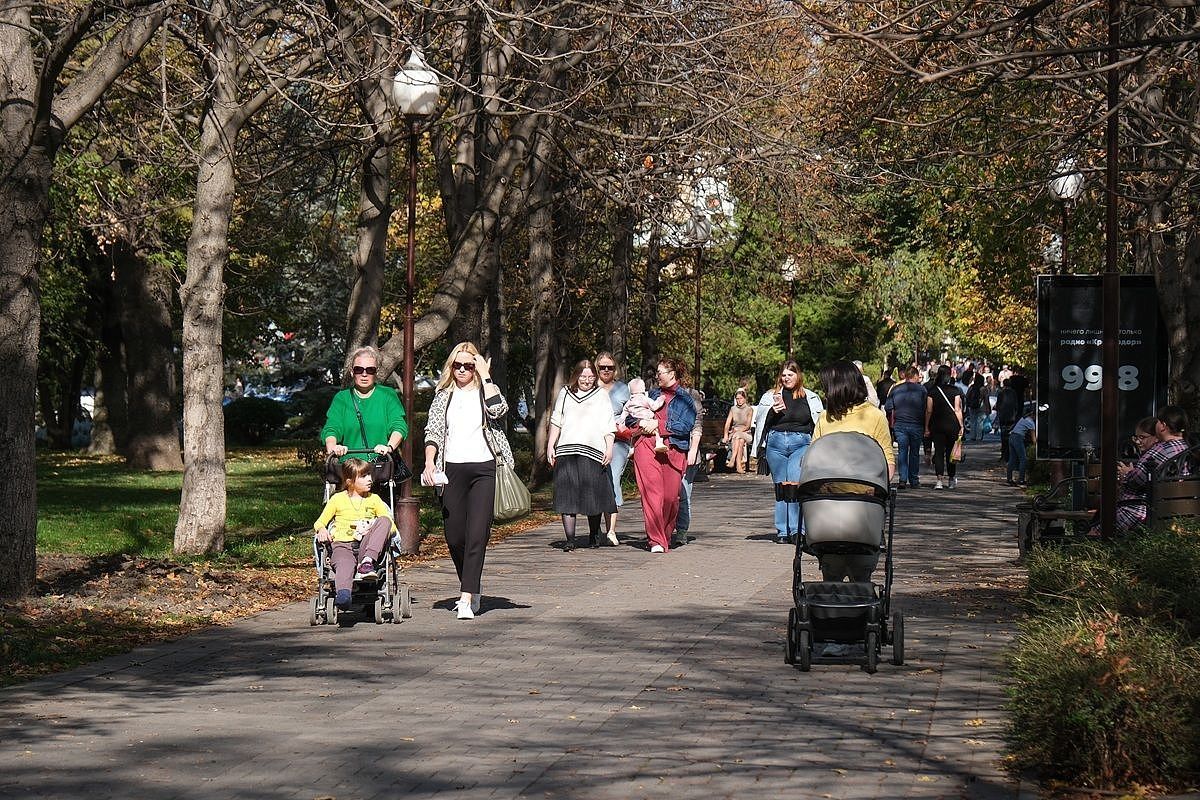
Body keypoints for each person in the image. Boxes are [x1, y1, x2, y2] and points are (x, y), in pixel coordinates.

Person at [423, 342, 511, 620]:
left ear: (476, 368)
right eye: (457, 365)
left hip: (485, 467)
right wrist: (428, 462)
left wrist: (486, 377)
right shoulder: (442, 396)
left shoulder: (486, 392)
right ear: (451, 367)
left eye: (468, 365)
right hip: (451, 470)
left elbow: (500, 412)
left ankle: (465, 597)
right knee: (455, 535)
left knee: (477, 535)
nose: (462, 370)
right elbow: (433, 431)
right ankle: (472, 584)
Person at [811, 360, 896, 582]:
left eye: (827, 386)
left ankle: (859, 605)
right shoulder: (825, 417)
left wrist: (878, 487)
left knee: (860, 569)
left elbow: (888, 460)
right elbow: (813, 459)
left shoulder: (874, 416)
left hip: (864, 502)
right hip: (828, 505)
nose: (824, 391)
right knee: (832, 570)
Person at [628, 358, 697, 553]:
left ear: (672, 373)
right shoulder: (651, 395)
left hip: (673, 450)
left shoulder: (685, 399)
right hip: (647, 445)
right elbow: (631, 414)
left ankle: (664, 535)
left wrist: (659, 425)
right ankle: (655, 540)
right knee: (651, 494)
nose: (657, 376)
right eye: (657, 372)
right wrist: (642, 423)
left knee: (669, 498)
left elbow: (686, 426)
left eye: (661, 372)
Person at [547, 359, 617, 551]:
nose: (586, 380)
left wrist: (609, 448)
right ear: (576, 376)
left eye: (590, 377)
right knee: (567, 495)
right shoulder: (565, 393)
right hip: (567, 450)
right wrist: (550, 445)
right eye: (583, 376)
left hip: (593, 451)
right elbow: (556, 420)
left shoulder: (601, 395)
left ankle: (594, 534)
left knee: (592, 495)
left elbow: (608, 424)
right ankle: (570, 539)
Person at [1090, 406, 1191, 536]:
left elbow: (1138, 479)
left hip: (1139, 509)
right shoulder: (1187, 447)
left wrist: (1127, 472)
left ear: (1163, 426)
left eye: (1158, 421)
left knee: (1094, 533)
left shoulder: (1160, 449)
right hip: (1174, 509)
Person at [313, 458, 398, 610]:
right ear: (350, 481)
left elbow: (391, 528)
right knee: (344, 564)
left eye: (369, 475)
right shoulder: (337, 499)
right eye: (364, 476)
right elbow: (319, 522)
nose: (370, 479)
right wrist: (322, 529)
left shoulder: (374, 499)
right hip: (342, 545)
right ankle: (344, 595)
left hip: (366, 546)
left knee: (385, 520)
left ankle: (366, 562)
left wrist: (371, 527)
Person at [762, 360, 824, 544]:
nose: (786, 378)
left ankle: (798, 530)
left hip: (801, 443)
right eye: (783, 374)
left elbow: (818, 422)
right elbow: (760, 425)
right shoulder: (770, 397)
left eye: (790, 374)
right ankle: (782, 531)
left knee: (795, 485)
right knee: (781, 487)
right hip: (776, 443)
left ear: (798, 376)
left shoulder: (810, 397)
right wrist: (772, 412)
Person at [321, 345, 408, 463]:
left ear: (376, 372)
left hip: (380, 466)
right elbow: (332, 428)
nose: (364, 374)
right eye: (358, 369)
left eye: (370, 370)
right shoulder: (342, 398)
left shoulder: (388, 395)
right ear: (352, 372)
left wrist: (389, 447)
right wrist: (333, 448)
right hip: (350, 469)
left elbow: (399, 426)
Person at [595, 352, 629, 547]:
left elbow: (632, 411)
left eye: (610, 367)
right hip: (594, 441)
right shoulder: (590, 387)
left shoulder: (623, 389)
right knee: (595, 483)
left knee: (612, 480)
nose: (606, 370)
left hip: (618, 442)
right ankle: (595, 529)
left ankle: (611, 530)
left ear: (615, 368)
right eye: (602, 367)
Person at [671, 380, 705, 548]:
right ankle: (666, 528)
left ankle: (682, 530)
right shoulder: (659, 394)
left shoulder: (692, 396)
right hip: (668, 451)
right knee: (668, 495)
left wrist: (693, 449)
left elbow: (697, 425)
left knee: (683, 494)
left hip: (688, 453)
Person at [884, 366, 928, 488]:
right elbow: (926, 408)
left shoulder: (896, 389)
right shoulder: (922, 390)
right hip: (916, 424)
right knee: (914, 452)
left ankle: (902, 479)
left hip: (900, 424)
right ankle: (914, 480)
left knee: (902, 451)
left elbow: (888, 407)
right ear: (914, 376)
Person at [924, 364, 964, 489]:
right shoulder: (955, 390)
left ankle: (939, 480)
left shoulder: (932, 391)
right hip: (952, 425)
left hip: (937, 425)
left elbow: (929, 410)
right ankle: (951, 479)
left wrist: (926, 426)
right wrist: (961, 425)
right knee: (952, 453)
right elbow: (957, 409)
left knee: (939, 452)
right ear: (949, 375)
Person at [622, 377, 668, 453]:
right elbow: (654, 406)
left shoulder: (629, 401)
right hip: (647, 419)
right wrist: (661, 399)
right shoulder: (644, 399)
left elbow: (624, 412)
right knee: (657, 431)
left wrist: (621, 422)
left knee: (634, 435)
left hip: (636, 423)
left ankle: (632, 448)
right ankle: (659, 443)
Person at [721, 388, 755, 473]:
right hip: (736, 434)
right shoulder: (733, 409)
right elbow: (728, 423)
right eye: (737, 399)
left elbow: (747, 426)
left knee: (739, 436)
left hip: (746, 433)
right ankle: (739, 466)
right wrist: (725, 435)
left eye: (741, 398)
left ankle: (732, 459)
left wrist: (738, 430)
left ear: (745, 398)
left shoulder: (749, 409)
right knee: (740, 440)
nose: (739, 400)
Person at [1006, 405, 1036, 486]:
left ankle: (1009, 478)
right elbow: (1034, 439)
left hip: (1011, 437)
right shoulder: (1031, 423)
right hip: (1018, 438)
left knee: (1012, 459)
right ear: (1033, 415)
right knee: (1023, 459)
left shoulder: (1024, 418)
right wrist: (1035, 447)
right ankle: (1021, 480)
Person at [994, 377, 1021, 462]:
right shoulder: (1014, 393)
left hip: (1003, 417)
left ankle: (1004, 455)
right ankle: (1009, 455)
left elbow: (998, 405)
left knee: (1003, 436)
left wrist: (998, 412)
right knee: (1010, 436)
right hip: (1011, 417)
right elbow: (1016, 405)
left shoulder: (1001, 393)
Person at [965, 373, 991, 442]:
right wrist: (988, 408)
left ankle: (972, 436)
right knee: (980, 422)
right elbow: (986, 399)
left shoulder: (972, 387)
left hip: (972, 406)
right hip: (981, 407)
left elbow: (967, 396)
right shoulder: (983, 389)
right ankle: (979, 437)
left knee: (973, 421)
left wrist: (968, 404)